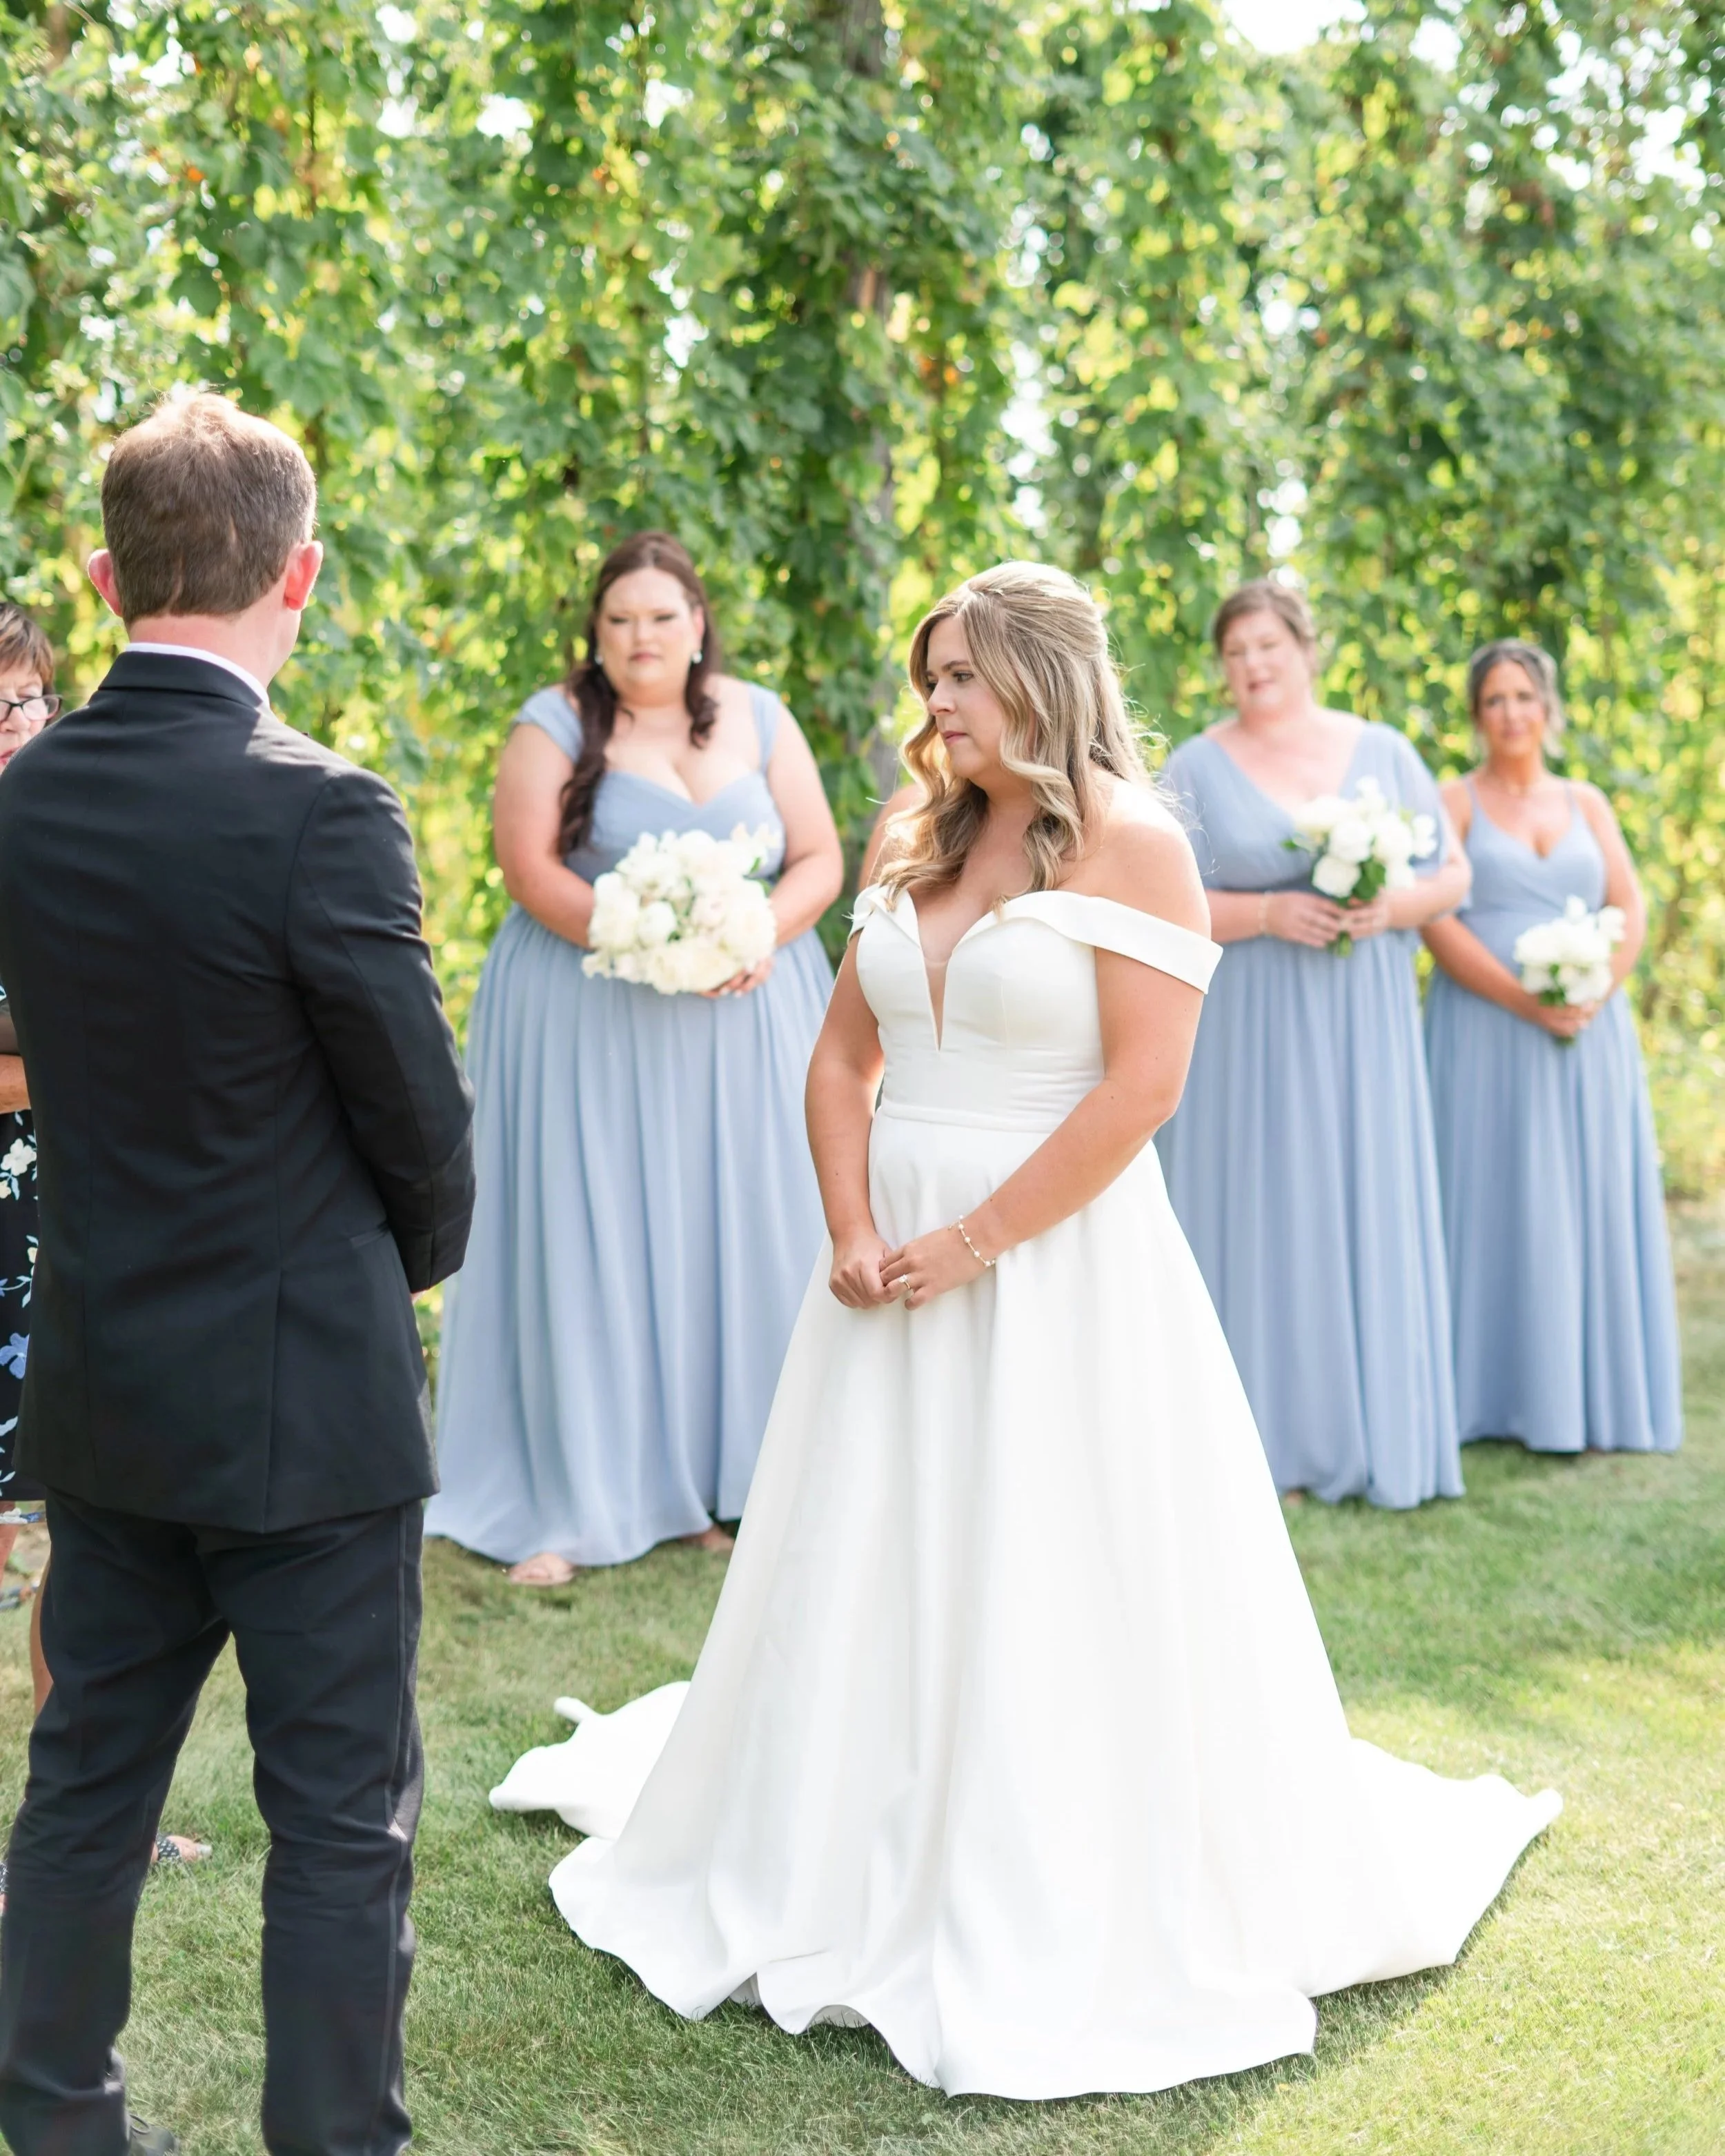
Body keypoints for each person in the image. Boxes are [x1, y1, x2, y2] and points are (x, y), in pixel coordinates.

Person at [509, 562, 1559, 2101]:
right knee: (865, 1554)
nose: (932, 705)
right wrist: (856, 1229)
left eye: (961, 679)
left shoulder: (1137, 844)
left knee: (1051, 1554)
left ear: (1042, 681)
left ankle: (1033, 1840)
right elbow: (835, 1059)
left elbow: (1142, 1087)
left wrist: (971, 1238)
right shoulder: (908, 828)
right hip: (881, 1267)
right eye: (928, 675)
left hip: (1057, 1255)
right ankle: (837, 1828)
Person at [0, 391, 475, 2156]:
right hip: (307, 1405)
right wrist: (395, 1269)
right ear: (304, 574)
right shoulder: (322, 809)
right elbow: (419, 1120)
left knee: (83, 1793)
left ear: (108, 573)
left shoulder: (28, 795)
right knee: (340, 1820)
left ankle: (59, 2132)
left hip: (109, 1387)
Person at [428, 532, 842, 1583]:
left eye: (661, 616)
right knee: (597, 1229)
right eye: (618, 620)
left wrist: (756, 937)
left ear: (698, 623)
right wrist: (648, 945)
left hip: (748, 1017)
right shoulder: (554, 721)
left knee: (739, 1229)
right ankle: (583, 1492)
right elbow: (527, 868)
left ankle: (727, 1484)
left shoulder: (763, 716)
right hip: (591, 1015)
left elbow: (822, 856)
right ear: (595, 634)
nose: (640, 636)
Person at [1154, 580, 1469, 1509]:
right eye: (1235, 653)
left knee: (1364, 1196)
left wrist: (1392, 907)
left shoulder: (1385, 751)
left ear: (1304, 649)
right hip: (1249, 1024)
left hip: (1364, 1018)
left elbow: (1453, 873)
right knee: (1265, 1208)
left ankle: (1378, 1434)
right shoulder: (1198, 769)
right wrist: (1263, 910)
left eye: (1267, 647)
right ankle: (1262, 1446)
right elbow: (1157, 902)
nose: (1252, 665)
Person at [1423, 640, 1681, 1455]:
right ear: (1476, 714)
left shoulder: (1587, 801)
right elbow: (1435, 918)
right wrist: (1516, 995)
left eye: (1523, 696)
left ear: (1547, 706)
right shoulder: (1452, 799)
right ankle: (1484, 1397)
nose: (1510, 713)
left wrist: (1596, 989)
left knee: (1586, 1200)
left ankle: (1591, 1396)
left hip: (1586, 1033)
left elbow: (1627, 904)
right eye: (1493, 699)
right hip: (1485, 1032)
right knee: (1493, 1196)